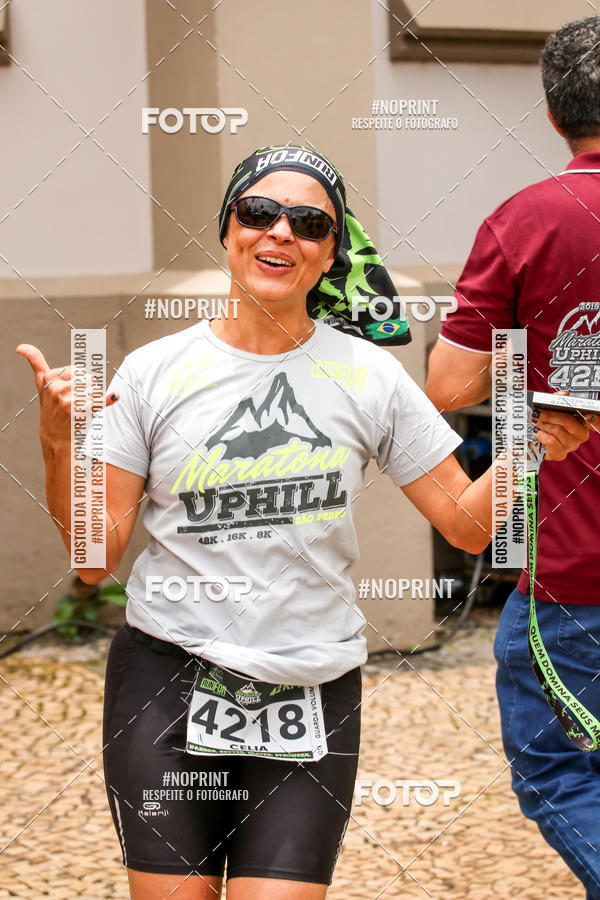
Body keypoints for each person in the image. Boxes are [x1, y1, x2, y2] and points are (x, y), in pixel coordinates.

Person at [18, 144, 587, 900]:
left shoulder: (366, 374)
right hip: (167, 679)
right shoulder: (155, 372)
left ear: (329, 255)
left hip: (310, 685)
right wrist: (58, 445)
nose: (280, 232)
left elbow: (465, 526)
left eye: (309, 223)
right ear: (227, 232)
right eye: (258, 212)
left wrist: (528, 446)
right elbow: (95, 560)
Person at [426, 16, 600, 899]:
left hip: (573, 567)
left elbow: (449, 384)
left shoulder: (529, 217)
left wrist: (535, 355)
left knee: (556, 768)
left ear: (550, 112)